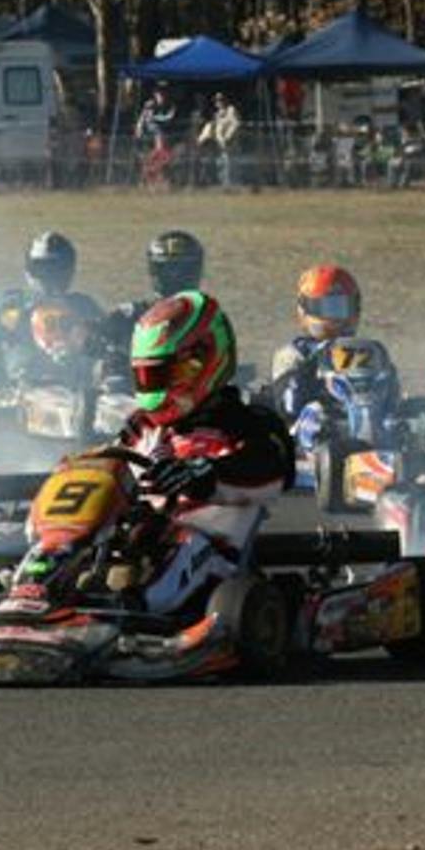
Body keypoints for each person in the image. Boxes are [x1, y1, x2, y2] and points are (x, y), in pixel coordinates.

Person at [106, 292, 294, 615]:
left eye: (165, 375)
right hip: (139, 538)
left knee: (184, 544)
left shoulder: (247, 423)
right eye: (147, 377)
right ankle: (30, 593)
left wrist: (205, 473)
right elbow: (109, 467)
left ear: (203, 363)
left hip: (213, 557)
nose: (155, 389)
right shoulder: (141, 428)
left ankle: (132, 611)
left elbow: (275, 470)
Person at [0, 230, 103, 390]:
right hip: (23, 382)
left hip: (75, 383)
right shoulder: (14, 303)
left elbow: (107, 337)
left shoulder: (83, 305)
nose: (50, 276)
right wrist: (15, 319)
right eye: (43, 269)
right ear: (29, 270)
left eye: (56, 268)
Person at [268, 264, 362, 418]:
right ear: (306, 309)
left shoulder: (364, 351)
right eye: (330, 308)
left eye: (342, 307)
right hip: (313, 421)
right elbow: (288, 404)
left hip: (363, 416)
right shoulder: (296, 352)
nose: (336, 317)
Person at [100, 229, 207, 365]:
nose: (175, 275)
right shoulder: (128, 315)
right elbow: (94, 343)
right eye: (169, 269)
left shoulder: (207, 318)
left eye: (182, 270)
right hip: (133, 382)